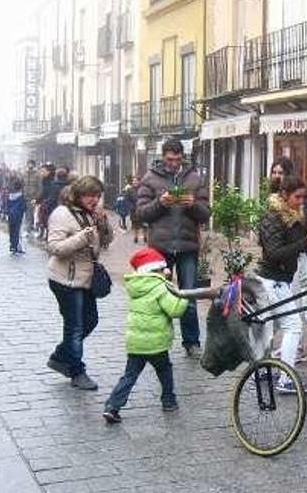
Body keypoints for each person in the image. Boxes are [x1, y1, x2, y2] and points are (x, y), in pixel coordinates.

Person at [135, 139, 211, 358]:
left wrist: (193, 205)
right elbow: (140, 214)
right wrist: (161, 203)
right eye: (170, 160)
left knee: (188, 294)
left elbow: (206, 213)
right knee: (160, 295)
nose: (174, 164)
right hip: (160, 246)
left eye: (178, 160)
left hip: (188, 245)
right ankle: (160, 340)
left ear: (183, 157)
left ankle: (191, 342)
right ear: (163, 156)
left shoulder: (195, 178)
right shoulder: (150, 178)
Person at [102, 248, 189, 424]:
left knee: (129, 376)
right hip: (156, 344)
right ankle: (168, 401)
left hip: (136, 343)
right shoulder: (160, 288)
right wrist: (183, 296)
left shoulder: (136, 286)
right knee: (164, 371)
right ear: (157, 270)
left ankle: (112, 406)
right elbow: (175, 310)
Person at [256, 176, 307, 393]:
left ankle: (264, 370)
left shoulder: (294, 215)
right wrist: (305, 242)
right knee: (293, 325)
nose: (301, 201)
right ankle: (285, 379)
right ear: (284, 195)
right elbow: (275, 253)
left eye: (304, 197)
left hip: (282, 279)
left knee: (273, 325)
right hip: (272, 279)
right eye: (297, 197)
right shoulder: (273, 218)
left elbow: (300, 247)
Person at [45, 176, 113, 391]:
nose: (94, 200)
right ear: (78, 195)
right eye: (90, 195)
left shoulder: (91, 213)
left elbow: (105, 241)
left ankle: (60, 356)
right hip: (65, 279)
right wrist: (82, 238)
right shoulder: (61, 214)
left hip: (86, 278)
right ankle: (76, 371)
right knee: (74, 327)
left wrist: (103, 224)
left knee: (90, 321)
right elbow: (54, 248)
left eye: (97, 195)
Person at [7, 177, 26, 255]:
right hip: (19, 217)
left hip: (11, 216)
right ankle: (18, 247)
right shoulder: (21, 197)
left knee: (11, 230)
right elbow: (24, 207)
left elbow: (7, 206)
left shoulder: (10, 196)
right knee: (18, 232)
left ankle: (12, 246)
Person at [23, 160, 42, 234]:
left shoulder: (38, 175)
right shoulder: (24, 174)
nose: (29, 166)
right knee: (28, 214)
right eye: (28, 164)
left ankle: (30, 229)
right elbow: (22, 185)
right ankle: (29, 228)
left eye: (31, 164)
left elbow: (40, 187)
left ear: (34, 165)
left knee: (32, 214)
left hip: (33, 197)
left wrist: (36, 197)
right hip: (25, 197)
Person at [123, 175, 144, 244]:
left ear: (139, 181)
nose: (135, 182)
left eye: (136, 181)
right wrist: (130, 206)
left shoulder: (142, 189)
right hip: (133, 209)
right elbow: (126, 199)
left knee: (144, 224)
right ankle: (135, 237)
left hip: (142, 208)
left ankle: (145, 236)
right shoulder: (129, 190)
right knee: (135, 224)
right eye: (133, 181)